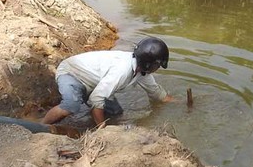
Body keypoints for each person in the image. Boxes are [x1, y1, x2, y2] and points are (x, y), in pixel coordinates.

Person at [41, 37, 175, 126]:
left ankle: (88, 122)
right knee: (72, 105)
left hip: (95, 82)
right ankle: (41, 126)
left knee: (116, 113)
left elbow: (156, 92)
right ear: (149, 64)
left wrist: (179, 104)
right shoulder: (122, 70)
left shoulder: (142, 72)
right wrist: (102, 130)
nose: (158, 69)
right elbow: (96, 99)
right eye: (158, 66)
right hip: (73, 74)